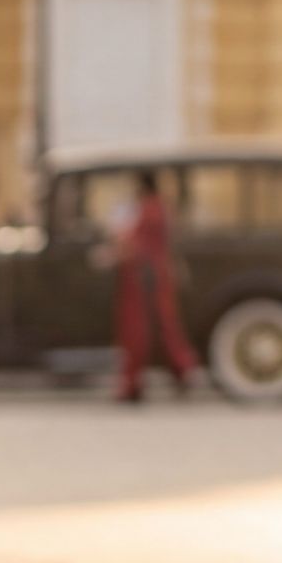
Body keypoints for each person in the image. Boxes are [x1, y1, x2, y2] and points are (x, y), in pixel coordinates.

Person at [108, 168, 198, 401]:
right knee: (165, 326)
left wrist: (112, 252)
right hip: (156, 274)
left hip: (142, 276)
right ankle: (182, 370)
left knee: (137, 330)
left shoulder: (148, 210)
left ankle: (133, 383)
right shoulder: (161, 207)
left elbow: (132, 242)